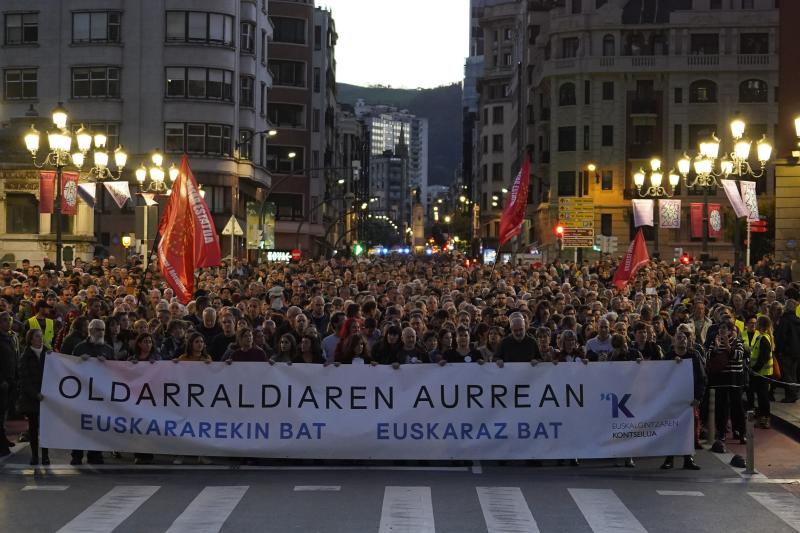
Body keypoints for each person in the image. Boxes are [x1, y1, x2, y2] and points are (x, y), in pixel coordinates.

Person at [70, 318, 114, 465]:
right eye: (97, 329)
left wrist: (107, 363)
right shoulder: (79, 348)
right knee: (80, 425)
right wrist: (78, 361)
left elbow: (116, 371)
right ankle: (77, 455)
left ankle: (95, 454)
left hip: (100, 395)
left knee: (97, 426)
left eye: (102, 329)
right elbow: (68, 367)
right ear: (90, 331)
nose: (101, 332)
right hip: (82, 393)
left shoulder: (108, 349)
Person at [661, 330, 706, 470]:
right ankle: (669, 459)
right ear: (674, 341)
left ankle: (688, 458)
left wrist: (698, 397)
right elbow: (661, 376)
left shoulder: (694, 356)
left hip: (689, 400)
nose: (682, 340)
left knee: (688, 430)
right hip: (672, 400)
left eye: (685, 338)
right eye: (679, 338)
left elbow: (702, 378)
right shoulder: (668, 357)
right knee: (671, 429)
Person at [16, 329, 49, 465]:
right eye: (37, 337)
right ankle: (35, 455)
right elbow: (24, 379)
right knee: (33, 429)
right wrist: (35, 394)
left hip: (46, 398)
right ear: (31, 339)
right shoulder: (25, 356)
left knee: (46, 428)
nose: (40, 339)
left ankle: (46, 456)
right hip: (32, 399)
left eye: (41, 336)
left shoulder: (48, 354)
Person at [749, 315, 775, 428]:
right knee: (760, 397)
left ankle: (766, 418)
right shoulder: (761, 337)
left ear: (761, 325)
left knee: (763, 397)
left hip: (762, 373)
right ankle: (761, 418)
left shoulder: (764, 338)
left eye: (757, 323)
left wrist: (755, 370)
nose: (755, 325)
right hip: (760, 373)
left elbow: (763, 358)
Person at [774, 299, 800, 403]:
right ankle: (793, 394)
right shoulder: (798, 320)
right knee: (793, 373)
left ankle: (791, 395)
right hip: (797, 352)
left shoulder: (784, 320)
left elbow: (781, 337)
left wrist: (778, 350)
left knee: (787, 374)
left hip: (786, 352)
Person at [0, 311, 18, 456]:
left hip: (10, 380)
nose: (8, 322)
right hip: (2, 382)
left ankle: (3, 438)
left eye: (9, 320)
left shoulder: (9, 338)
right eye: (5, 320)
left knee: (4, 413)